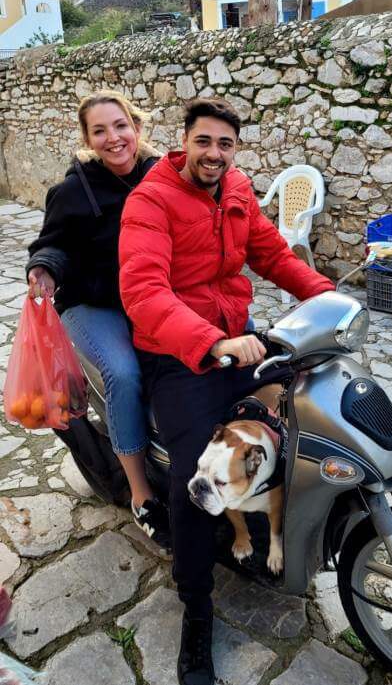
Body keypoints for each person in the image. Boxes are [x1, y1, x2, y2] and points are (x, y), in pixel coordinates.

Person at [119, 97, 335, 685]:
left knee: (305, 408)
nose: (215, 154)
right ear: (183, 141)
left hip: (237, 338)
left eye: (226, 144)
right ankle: (196, 608)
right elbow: (144, 291)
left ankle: (284, 523)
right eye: (204, 142)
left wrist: (328, 298)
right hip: (178, 355)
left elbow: (270, 254)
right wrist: (211, 341)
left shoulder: (236, 189)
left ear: (235, 149)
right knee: (198, 474)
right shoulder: (150, 199)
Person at [25, 90, 170, 549]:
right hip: (93, 305)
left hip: (151, 300)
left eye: (120, 125)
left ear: (137, 127)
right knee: (124, 375)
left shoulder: (163, 175)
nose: (114, 138)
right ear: (88, 139)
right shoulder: (74, 190)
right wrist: (44, 269)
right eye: (100, 131)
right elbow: (53, 244)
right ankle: (141, 495)